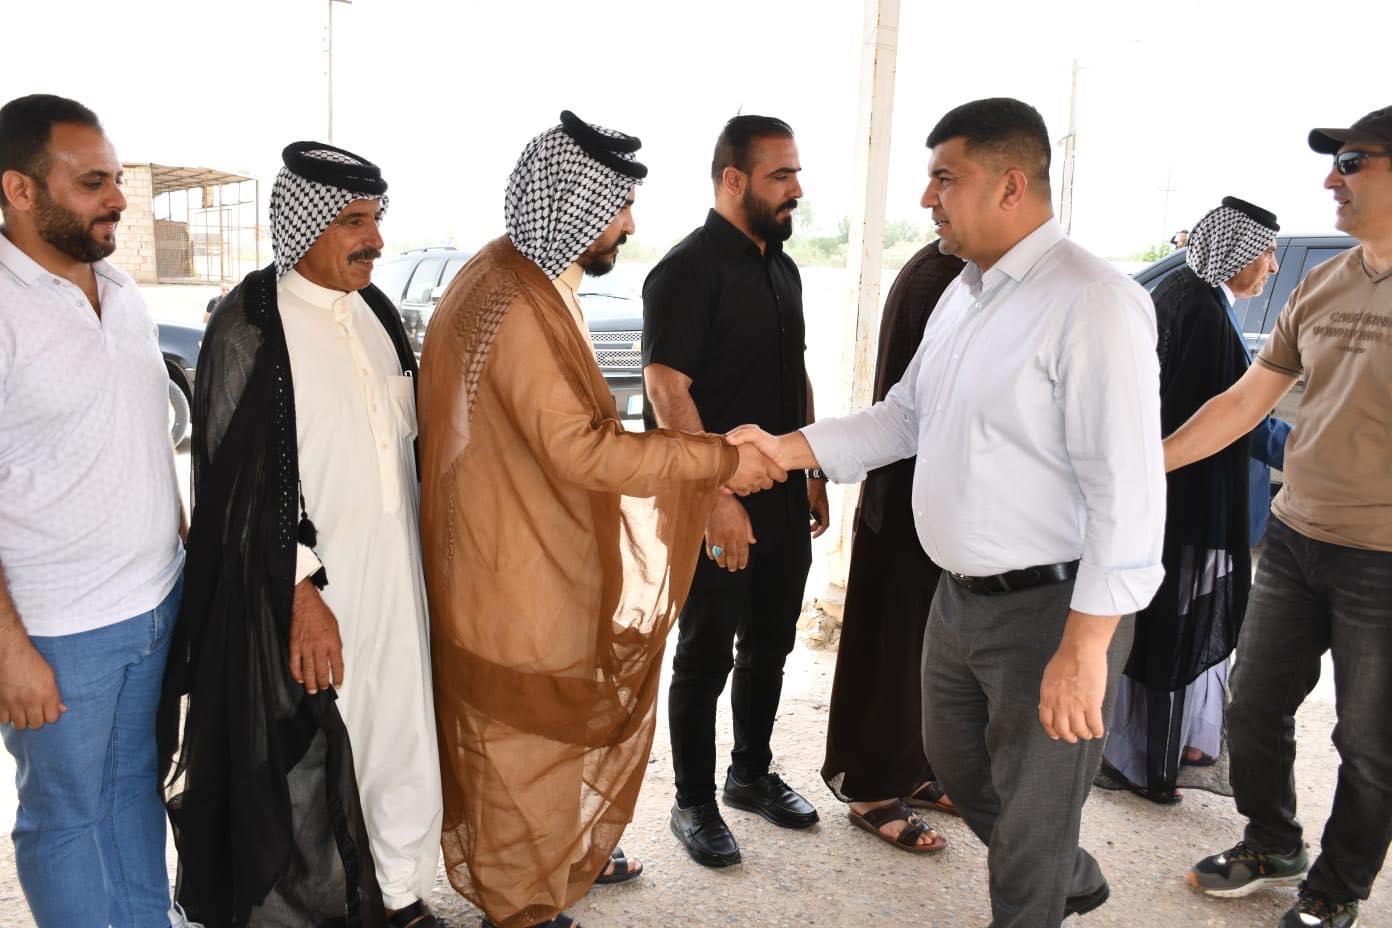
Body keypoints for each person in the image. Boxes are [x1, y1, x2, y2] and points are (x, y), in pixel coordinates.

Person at [727, 97, 1166, 927]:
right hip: (958, 600)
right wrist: (784, 449)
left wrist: (1086, 647)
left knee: (1031, 822)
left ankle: (1039, 883)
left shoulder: (1093, 302)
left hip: (1051, 609)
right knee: (961, 768)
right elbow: (904, 418)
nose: (927, 199)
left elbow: (1129, 489)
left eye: (943, 178)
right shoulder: (965, 293)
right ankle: (1062, 871)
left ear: (1010, 185)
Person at [418, 110, 784, 928]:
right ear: (573, 206)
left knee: (535, 740)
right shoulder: (517, 301)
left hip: (522, 557)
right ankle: (522, 905)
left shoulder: (517, 277)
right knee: (521, 744)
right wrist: (717, 461)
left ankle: (543, 872)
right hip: (516, 574)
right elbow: (580, 449)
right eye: (618, 206)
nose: (628, 225)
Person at [157, 142, 443, 928]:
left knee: (397, 735)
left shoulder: (378, 315)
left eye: (376, 219)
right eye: (353, 221)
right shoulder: (251, 325)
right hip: (310, 592)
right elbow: (231, 486)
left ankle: (398, 893)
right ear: (304, 224)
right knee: (307, 757)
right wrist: (300, 594)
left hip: (396, 583)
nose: (374, 239)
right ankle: (321, 908)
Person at [1171, 106, 1392, 928]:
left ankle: (1336, 887)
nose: (1332, 178)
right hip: (1297, 540)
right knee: (1253, 708)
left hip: (1383, 560)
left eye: (1354, 162)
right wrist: (1143, 469)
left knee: (1369, 744)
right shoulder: (1324, 283)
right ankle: (1272, 842)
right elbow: (1242, 404)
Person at [0, 94, 189, 928]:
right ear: (19, 190)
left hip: (155, 604)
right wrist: (9, 651)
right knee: (70, 818)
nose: (116, 199)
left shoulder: (121, 287)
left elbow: (144, 440)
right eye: (91, 183)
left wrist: (184, 554)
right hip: (58, 630)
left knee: (133, 793)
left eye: (115, 179)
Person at [643, 114, 822, 870]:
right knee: (705, 654)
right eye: (781, 176)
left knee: (771, 645)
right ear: (733, 180)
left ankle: (749, 774)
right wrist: (716, 495)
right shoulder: (686, 270)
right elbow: (666, 388)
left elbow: (794, 371)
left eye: (796, 173)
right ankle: (692, 802)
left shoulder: (785, 268)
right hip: (715, 504)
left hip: (783, 497)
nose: (796, 189)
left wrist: (812, 469)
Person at [1100, 197, 1289, 805]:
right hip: (1190, 508)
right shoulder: (1202, 311)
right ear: (1236, 252)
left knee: (1169, 627)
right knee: (1177, 632)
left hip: (1171, 502)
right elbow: (1231, 418)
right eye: (1265, 254)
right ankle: (1147, 761)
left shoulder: (1184, 294)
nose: (1271, 268)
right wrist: (1309, 453)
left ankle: (1167, 746)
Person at [820, 240, 963, 855]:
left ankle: (918, 770)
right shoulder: (941, 275)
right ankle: (873, 789)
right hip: (907, 495)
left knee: (927, 654)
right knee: (893, 651)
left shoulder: (970, 272)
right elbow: (908, 413)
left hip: (938, 498)